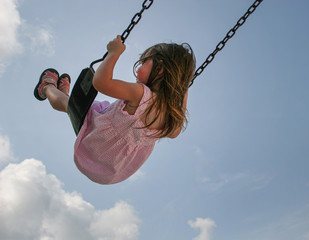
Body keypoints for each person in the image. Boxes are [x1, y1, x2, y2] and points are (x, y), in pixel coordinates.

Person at [33, 35, 196, 184]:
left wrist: (114, 52)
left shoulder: (141, 94)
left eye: (144, 62)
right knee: (82, 104)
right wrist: (182, 90)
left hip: (96, 143)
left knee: (70, 105)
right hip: (112, 168)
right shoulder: (172, 121)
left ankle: (46, 87)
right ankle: (64, 93)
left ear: (160, 69)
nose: (138, 69)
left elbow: (101, 82)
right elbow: (176, 129)